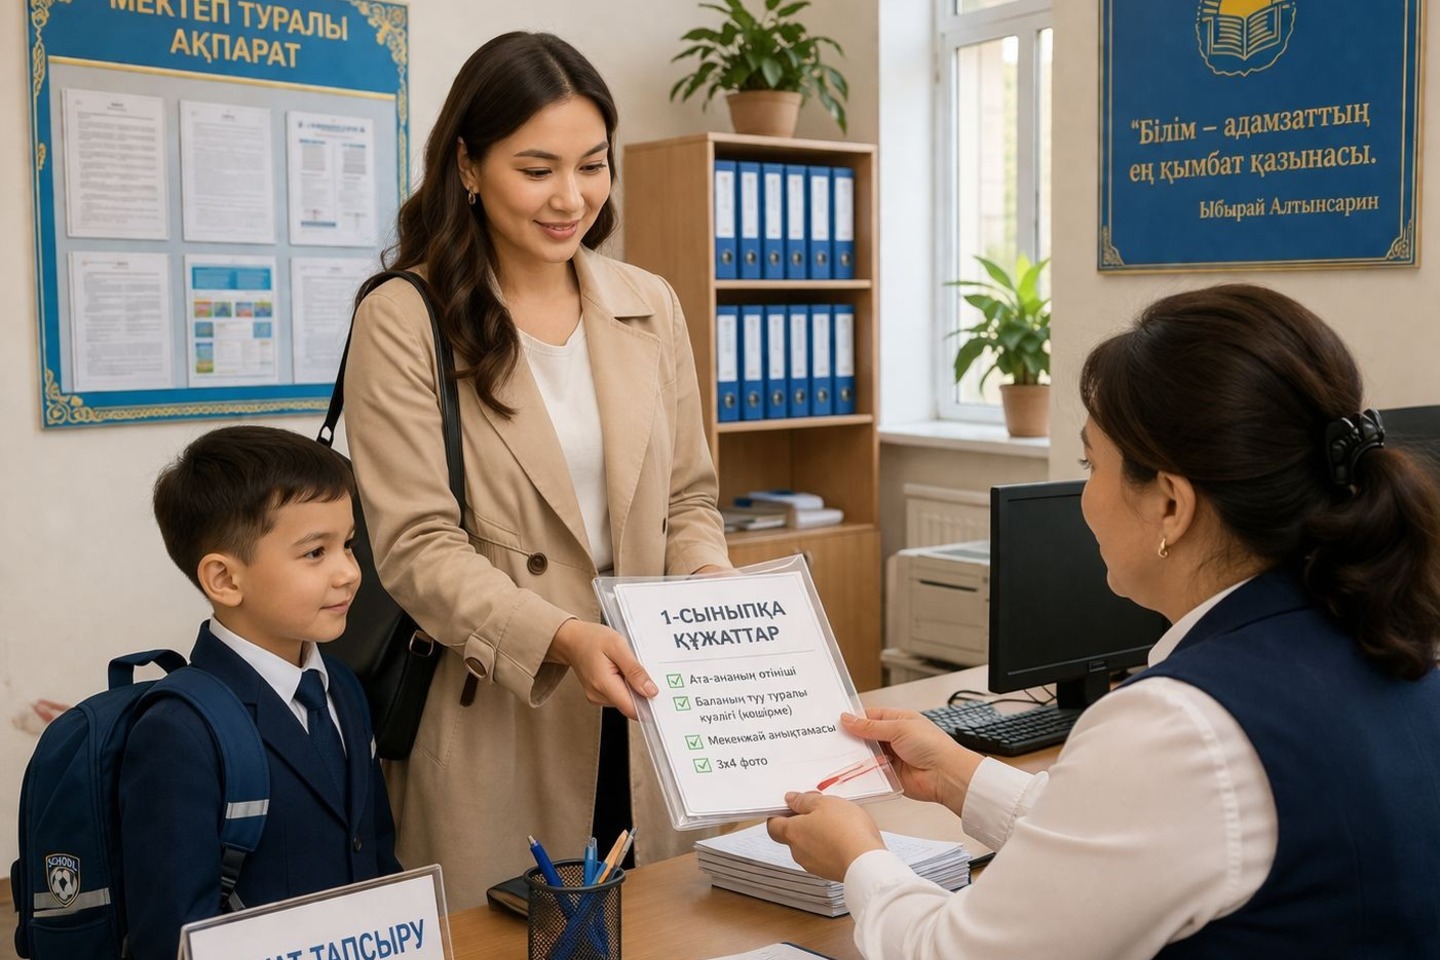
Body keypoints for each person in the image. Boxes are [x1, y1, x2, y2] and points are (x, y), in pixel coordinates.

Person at [768, 284, 1440, 959]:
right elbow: (1156, 841)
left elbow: (951, 952)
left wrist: (859, 859)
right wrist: (958, 775)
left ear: (1172, 505)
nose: (1083, 494)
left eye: (1092, 463)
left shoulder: (1178, 725)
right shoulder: (1384, 633)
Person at [343, 31, 731, 909]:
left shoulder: (649, 304)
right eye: (537, 169)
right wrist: (562, 638)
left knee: (656, 922)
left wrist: (712, 586)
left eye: (592, 166)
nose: (572, 198)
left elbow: (689, 498)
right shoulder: (407, 316)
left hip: (648, 711)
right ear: (469, 167)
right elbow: (418, 548)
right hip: (500, 713)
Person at [123, 426, 401, 960]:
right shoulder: (179, 731)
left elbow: (376, 855)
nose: (349, 573)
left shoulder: (340, 685)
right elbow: (171, 937)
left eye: (348, 544)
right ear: (225, 580)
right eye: (315, 553)